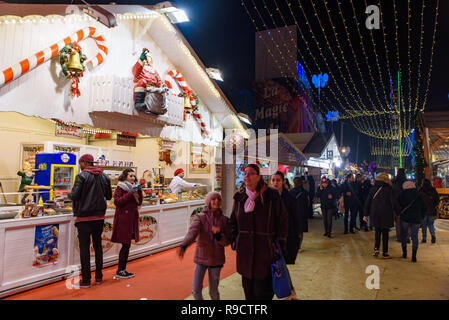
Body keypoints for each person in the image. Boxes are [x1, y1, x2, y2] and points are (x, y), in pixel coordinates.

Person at [229, 164, 288, 300]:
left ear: (259, 176)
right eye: (245, 173)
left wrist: (278, 245)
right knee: (248, 293)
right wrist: (235, 241)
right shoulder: (239, 198)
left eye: (250, 173)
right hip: (245, 254)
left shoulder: (271, 196)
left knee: (263, 293)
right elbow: (233, 222)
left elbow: (283, 221)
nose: (246, 176)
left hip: (265, 254)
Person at [68, 154, 112, 288]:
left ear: (84, 163)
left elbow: (75, 195)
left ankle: (86, 280)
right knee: (98, 246)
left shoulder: (81, 176)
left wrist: (68, 194)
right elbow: (109, 196)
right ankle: (99, 276)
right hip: (99, 217)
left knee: (84, 248)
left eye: (80, 163)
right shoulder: (104, 176)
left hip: (84, 217)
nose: (79, 166)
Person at [177, 192, 230, 300]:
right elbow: (192, 233)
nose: (216, 201)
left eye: (218, 199)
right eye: (213, 199)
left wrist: (219, 235)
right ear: (208, 201)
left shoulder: (224, 220)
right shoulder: (200, 217)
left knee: (213, 292)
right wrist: (184, 245)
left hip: (216, 260)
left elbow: (227, 242)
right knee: (196, 291)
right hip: (201, 258)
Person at [270, 171, 299, 300]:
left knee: (280, 263)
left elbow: (296, 219)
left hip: (286, 237)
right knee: (278, 264)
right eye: (273, 180)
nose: (275, 183)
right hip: (271, 238)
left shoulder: (290, 198)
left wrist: (297, 239)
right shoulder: (267, 198)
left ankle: (287, 291)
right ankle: (289, 291)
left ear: (283, 182)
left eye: (278, 180)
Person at [111, 168, 143, 279]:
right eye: (131, 176)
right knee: (126, 244)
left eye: (134, 176)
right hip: (123, 219)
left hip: (131, 219)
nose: (133, 178)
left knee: (127, 244)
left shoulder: (133, 187)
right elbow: (117, 202)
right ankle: (120, 270)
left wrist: (139, 191)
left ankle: (122, 269)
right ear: (125, 177)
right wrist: (130, 193)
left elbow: (139, 202)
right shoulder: (121, 187)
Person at [363, 173, 399, 258]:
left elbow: (368, 202)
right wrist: (398, 212)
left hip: (375, 213)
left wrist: (365, 214)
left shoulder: (373, 189)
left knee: (377, 232)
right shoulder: (389, 189)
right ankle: (385, 252)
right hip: (386, 213)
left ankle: (376, 248)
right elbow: (393, 202)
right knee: (385, 233)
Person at [399, 181, 427, 262]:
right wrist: (421, 217)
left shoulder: (402, 194)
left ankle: (404, 253)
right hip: (416, 219)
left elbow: (397, 204)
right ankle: (414, 256)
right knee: (415, 237)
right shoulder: (419, 194)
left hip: (405, 218)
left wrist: (399, 213)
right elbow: (424, 207)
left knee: (404, 235)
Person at [290, 177, 310, 252]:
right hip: (302, 214)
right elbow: (307, 204)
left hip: (292, 214)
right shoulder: (304, 192)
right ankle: (299, 247)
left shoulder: (290, 192)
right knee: (300, 231)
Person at [420, 179, 440, 243]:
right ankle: (433, 235)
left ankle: (424, 238)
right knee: (431, 224)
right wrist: (434, 205)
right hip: (432, 211)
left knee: (424, 225)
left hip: (423, 211)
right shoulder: (433, 190)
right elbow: (437, 200)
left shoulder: (421, 190)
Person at [392, 169, 407, 241]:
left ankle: (399, 236)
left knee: (398, 222)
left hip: (396, 205)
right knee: (406, 220)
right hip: (406, 205)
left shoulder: (394, 183)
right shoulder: (407, 182)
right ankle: (406, 236)